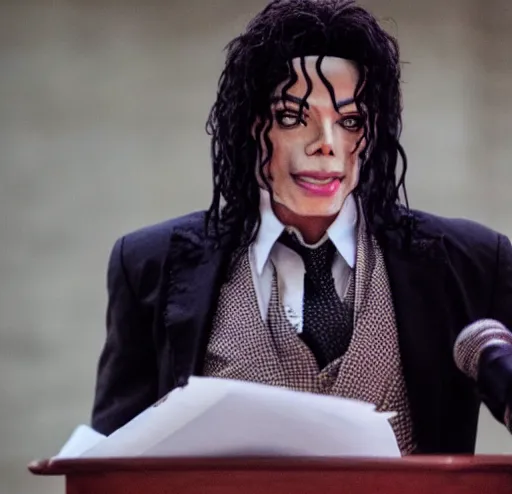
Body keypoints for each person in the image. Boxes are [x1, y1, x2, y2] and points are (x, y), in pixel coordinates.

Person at [91, 0, 512, 455]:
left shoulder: (474, 262)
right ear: (252, 127)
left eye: (349, 122)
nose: (325, 146)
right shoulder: (149, 265)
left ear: (371, 135)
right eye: (293, 117)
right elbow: (110, 471)